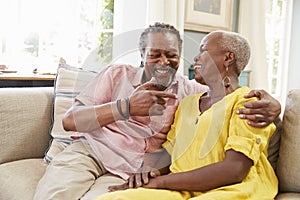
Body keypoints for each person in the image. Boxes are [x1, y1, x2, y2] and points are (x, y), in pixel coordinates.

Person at [34, 23, 280, 200]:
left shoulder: (188, 90)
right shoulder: (117, 74)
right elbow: (70, 121)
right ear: (142, 55)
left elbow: (227, 95)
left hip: (135, 168)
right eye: (155, 55)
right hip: (93, 152)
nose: (164, 62)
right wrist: (126, 107)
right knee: (56, 194)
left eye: (172, 56)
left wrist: (274, 106)